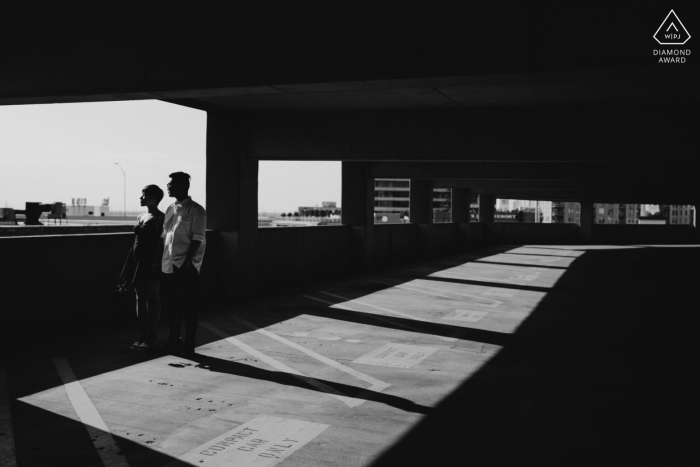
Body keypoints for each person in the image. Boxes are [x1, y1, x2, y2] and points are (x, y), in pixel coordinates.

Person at [160, 172, 206, 357]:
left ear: (182, 186)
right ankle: (174, 341)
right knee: (172, 306)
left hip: (185, 266)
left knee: (189, 307)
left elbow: (198, 238)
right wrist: (159, 260)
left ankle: (189, 343)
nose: (168, 186)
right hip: (168, 265)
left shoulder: (196, 210)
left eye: (170, 184)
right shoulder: (170, 208)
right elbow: (165, 237)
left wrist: (187, 262)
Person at [123, 185, 165, 351]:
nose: (140, 198)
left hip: (151, 260)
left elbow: (162, 241)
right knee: (140, 297)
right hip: (138, 259)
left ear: (153, 199)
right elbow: (136, 240)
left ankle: (150, 336)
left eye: (143, 195)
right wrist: (130, 261)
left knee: (153, 297)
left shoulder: (161, 217)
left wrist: (156, 261)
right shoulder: (141, 216)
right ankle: (142, 334)